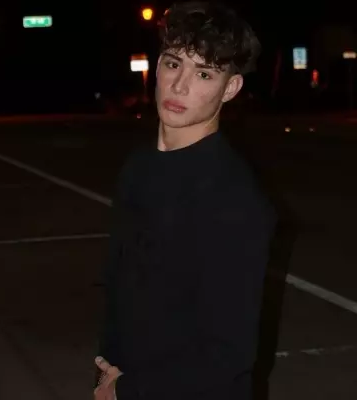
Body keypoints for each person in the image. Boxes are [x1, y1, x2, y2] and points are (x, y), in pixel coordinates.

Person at [94, 1, 277, 399]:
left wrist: (125, 391)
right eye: (173, 64)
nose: (180, 86)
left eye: (204, 73)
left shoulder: (234, 200)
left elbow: (227, 355)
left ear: (230, 88)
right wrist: (107, 367)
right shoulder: (139, 167)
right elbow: (120, 283)